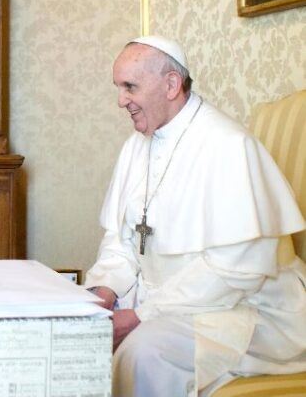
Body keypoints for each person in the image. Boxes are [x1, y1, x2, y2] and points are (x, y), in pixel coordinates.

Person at [84, 35, 306, 396]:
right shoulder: (135, 146)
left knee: (145, 352)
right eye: (119, 87)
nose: (120, 100)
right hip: (172, 301)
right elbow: (121, 241)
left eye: (130, 87)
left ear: (171, 84)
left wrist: (142, 315)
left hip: (248, 309)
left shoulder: (229, 146)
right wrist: (103, 292)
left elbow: (233, 272)